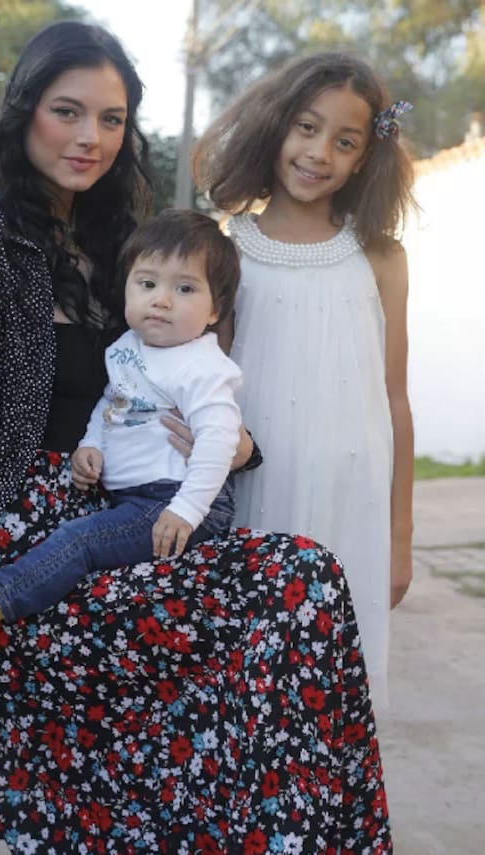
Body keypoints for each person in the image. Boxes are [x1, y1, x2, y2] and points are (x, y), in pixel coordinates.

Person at [0, 23, 391, 854]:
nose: (90, 138)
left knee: (305, 581)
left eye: (111, 120)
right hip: (13, 548)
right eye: (67, 112)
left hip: (127, 517)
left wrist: (237, 445)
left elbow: (193, 378)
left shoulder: (131, 243)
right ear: (25, 111)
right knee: (255, 618)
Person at [194, 52, 416, 706]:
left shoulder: (381, 257)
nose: (319, 153)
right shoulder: (227, 251)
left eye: (345, 142)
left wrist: (399, 537)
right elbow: (207, 388)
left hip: (353, 504)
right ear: (277, 125)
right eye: (307, 127)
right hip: (256, 496)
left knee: (328, 693)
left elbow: (395, 398)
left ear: (365, 158)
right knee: (249, 689)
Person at [0, 209, 243, 632]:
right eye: (147, 284)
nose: (162, 300)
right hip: (137, 497)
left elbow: (219, 443)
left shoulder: (202, 367)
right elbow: (112, 402)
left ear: (215, 309)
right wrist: (92, 443)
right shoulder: (128, 347)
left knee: (80, 540)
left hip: (175, 501)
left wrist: (186, 511)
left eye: (185, 288)